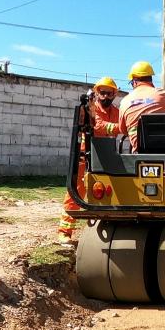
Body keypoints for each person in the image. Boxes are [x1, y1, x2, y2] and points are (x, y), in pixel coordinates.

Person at [58, 76, 122, 244]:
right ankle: (65, 231)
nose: (105, 96)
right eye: (102, 93)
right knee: (76, 192)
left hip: (106, 156)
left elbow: (124, 125)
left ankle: (100, 229)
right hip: (85, 154)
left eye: (109, 93)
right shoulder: (90, 109)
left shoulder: (116, 112)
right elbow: (99, 126)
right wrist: (120, 127)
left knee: (107, 193)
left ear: (114, 94)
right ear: (96, 92)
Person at [118, 61, 165, 152]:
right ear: (150, 79)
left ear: (134, 81)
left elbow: (123, 130)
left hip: (139, 152)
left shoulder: (124, 101)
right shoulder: (161, 95)